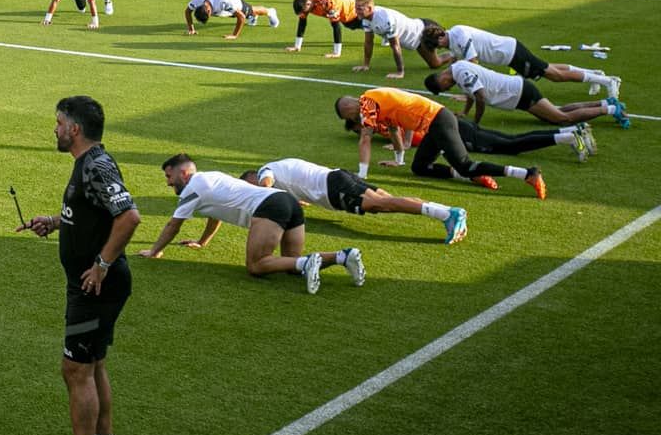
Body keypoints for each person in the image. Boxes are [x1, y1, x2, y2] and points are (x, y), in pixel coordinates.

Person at [18, 95, 140, 435]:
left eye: (58, 123)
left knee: (76, 370)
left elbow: (129, 217)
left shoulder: (96, 166)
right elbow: (96, 213)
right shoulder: (90, 164)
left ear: (74, 129)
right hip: (93, 286)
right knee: (94, 364)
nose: (54, 129)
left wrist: (101, 265)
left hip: (94, 289)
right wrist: (55, 222)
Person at [137, 155, 365, 294]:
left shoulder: (192, 188)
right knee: (291, 265)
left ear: (184, 174)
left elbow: (173, 225)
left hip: (270, 206)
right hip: (286, 200)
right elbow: (214, 213)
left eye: (169, 177)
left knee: (256, 266)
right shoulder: (211, 177)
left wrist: (155, 251)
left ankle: (308, 263)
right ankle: (343, 256)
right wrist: (202, 242)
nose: (168, 183)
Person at [334, 89, 565, 198]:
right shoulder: (374, 100)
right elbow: (395, 128)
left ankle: (527, 173)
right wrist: (399, 160)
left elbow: (365, 138)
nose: (353, 121)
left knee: (465, 163)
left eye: (349, 118)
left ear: (348, 110)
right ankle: (474, 175)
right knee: (420, 167)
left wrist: (361, 174)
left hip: (439, 121)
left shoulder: (367, 103)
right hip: (433, 123)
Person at [245, 157, 466, 245]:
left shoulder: (265, 171)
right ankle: (444, 211)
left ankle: (448, 214)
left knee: (384, 204)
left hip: (333, 187)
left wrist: (261, 199)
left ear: (251, 178)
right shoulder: (280, 168)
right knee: (388, 201)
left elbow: (265, 186)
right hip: (337, 176)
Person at [416, 22, 621, 100]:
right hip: (510, 55)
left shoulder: (459, 34)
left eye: (438, 45)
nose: (440, 49)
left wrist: (471, 91)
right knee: (548, 67)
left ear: (440, 37)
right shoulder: (453, 41)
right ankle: (596, 75)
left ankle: (608, 81)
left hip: (512, 53)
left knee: (553, 75)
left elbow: (473, 63)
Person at [424, 62, 623, 131]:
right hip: (517, 93)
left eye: (444, 87)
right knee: (557, 113)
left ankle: (613, 109)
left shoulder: (460, 74)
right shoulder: (458, 69)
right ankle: (605, 102)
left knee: (562, 118)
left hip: (518, 93)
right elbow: (471, 94)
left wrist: (476, 122)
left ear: (441, 78)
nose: (448, 88)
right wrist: (465, 112)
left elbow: (480, 96)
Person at [352, 0, 436, 79]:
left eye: (359, 9)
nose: (356, 12)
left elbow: (396, 46)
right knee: (434, 64)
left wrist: (400, 72)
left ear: (369, 8)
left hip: (424, 31)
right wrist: (365, 65)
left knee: (448, 45)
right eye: (356, 8)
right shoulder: (366, 19)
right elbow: (368, 42)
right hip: (417, 42)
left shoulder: (385, 19)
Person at [286, 0, 359, 57]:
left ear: (308, 4)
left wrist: (337, 53)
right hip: (345, 17)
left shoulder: (328, 3)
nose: (304, 13)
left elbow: (336, 26)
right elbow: (302, 22)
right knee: (351, 25)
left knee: (366, 28)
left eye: (304, 11)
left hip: (355, 13)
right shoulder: (305, 1)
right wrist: (297, 46)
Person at [184, 0, 279, 38]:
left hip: (236, 3)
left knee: (250, 11)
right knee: (234, 14)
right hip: (221, 10)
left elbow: (241, 16)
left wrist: (234, 35)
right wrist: (191, 29)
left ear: (209, 11)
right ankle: (253, 17)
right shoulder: (196, 0)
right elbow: (187, 11)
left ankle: (270, 11)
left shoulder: (223, 2)